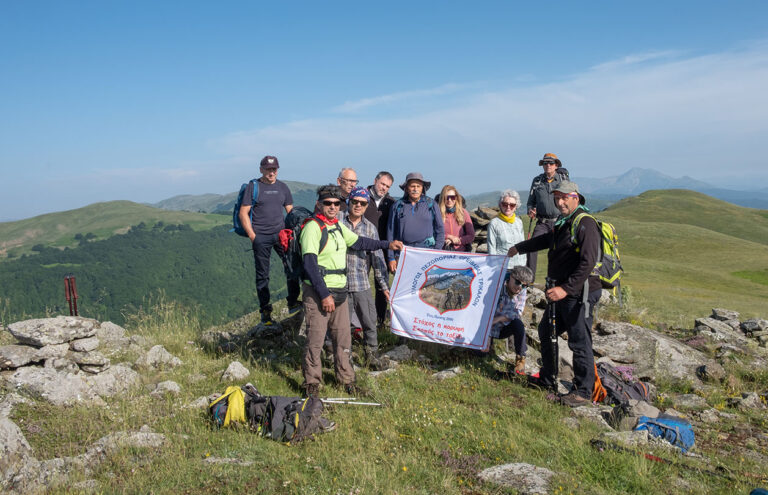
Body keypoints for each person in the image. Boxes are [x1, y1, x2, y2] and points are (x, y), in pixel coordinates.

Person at [300, 185, 403, 397]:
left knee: (343, 338)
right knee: (316, 340)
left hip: (340, 290)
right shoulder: (313, 228)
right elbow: (309, 264)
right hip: (321, 292)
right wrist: (324, 294)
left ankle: (346, 380)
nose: (332, 207)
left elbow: (360, 242)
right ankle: (312, 384)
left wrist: (387, 244)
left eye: (336, 203)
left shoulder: (337, 226)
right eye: (327, 203)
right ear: (319, 204)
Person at [508, 180, 600, 407]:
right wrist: (520, 247)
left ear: (575, 197)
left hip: (579, 293)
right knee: (547, 331)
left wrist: (565, 289)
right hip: (560, 292)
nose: (560, 202)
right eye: (557, 198)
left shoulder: (585, 223)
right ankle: (548, 379)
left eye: (564, 197)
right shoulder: (563, 222)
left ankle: (583, 391)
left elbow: (588, 262)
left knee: (579, 341)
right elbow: (547, 240)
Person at [238, 155, 301, 326]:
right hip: (261, 237)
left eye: (274, 169)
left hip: (281, 235)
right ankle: (265, 313)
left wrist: (296, 231)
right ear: (261, 169)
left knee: (292, 265)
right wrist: (253, 236)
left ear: (277, 170)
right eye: (268, 169)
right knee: (262, 275)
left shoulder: (283, 187)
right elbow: (243, 213)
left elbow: (291, 211)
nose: (271, 172)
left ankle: (293, 301)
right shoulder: (254, 187)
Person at [342, 187, 389, 368]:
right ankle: (345, 360)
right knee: (342, 327)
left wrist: (384, 286)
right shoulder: (338, 221)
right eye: (355, 202)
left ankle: (372, 358)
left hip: (361, 283)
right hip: (340, 285)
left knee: (370, 323)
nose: (358, 206)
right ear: (349, 201)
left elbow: (377, 259)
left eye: (363, 203)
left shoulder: (370, 228)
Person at [386, 172, 445, 273]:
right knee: (405, 286)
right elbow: (390, 232)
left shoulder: (431, 204)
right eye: (412, 186)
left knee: (426, 286)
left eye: (418, 186)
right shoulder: (398, 206)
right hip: (403, 252)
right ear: (406, 188)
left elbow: (439, 229)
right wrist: (391, 257)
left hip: (427, 252)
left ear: (423, 188)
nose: (415, 189)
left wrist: (436, 251)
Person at [525, 153, 570, 281]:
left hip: (560, 221)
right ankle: (529, 280)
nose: (548, 165)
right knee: (531, 246)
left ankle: (558, 279)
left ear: (556, 165)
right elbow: (530, 202)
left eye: (551, 163)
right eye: (545, 163)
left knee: (559, 250)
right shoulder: (537, 181)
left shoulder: (563, 180)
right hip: (542, 222)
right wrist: (530, 210)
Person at [364, 171, 395, 326]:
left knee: (382, 285)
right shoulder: (361, 197)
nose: (384, 188)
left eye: (387, 186)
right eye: (382, 184)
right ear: (375, 180)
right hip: (361, 248)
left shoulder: (391, 202)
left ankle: (380, 321)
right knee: (360, 285)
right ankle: (358, 322)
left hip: (382, 249)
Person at [490, 265, 534, 373]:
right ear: (511, 276)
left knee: (518, 324)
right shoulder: (496, 286)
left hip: (502, 326)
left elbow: (518, 312)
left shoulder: (522, 290)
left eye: (524, 285)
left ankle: (520, 359)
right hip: (486, 327)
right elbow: (485, 312)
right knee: (481, 354)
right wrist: (486, 337)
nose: (520, 287)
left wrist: (500, 318)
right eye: (518, 282)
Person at [487, 190, 527, 270]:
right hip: (502, 267)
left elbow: (522, 244)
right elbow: (491, 248)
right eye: (505, 204)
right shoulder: (494, 223)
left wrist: (524, 263)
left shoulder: (519, 222)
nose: (508, 207)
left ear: (516, 207)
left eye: (512, 205)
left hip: (519, 267)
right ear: (500, 205)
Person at [437, 185, 475, 252]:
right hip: (442, 254)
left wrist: (458, 240)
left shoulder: (463, 213)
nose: (449, 200)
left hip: (460, 254)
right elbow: (433, 234)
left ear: (456, 198)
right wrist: (448, 237)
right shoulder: (437, 213)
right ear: (442, 198)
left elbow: (471, 235)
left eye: (452, 197)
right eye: (446, 197)